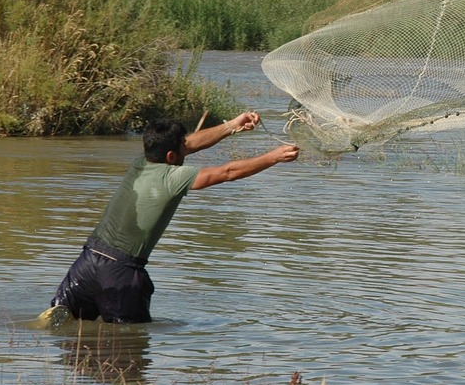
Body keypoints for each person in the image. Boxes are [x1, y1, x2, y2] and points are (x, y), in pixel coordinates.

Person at [45, 112, 298, 325]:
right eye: (181, 149)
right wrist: (272, 157)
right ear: (171, 157)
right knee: (130, 347)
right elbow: (227, 172)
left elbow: (188, 144)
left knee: (62, 327)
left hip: (87, 263)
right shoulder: (174, 178)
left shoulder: (140, 162)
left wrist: (233, 126)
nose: (186, 149)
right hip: (120, 274)